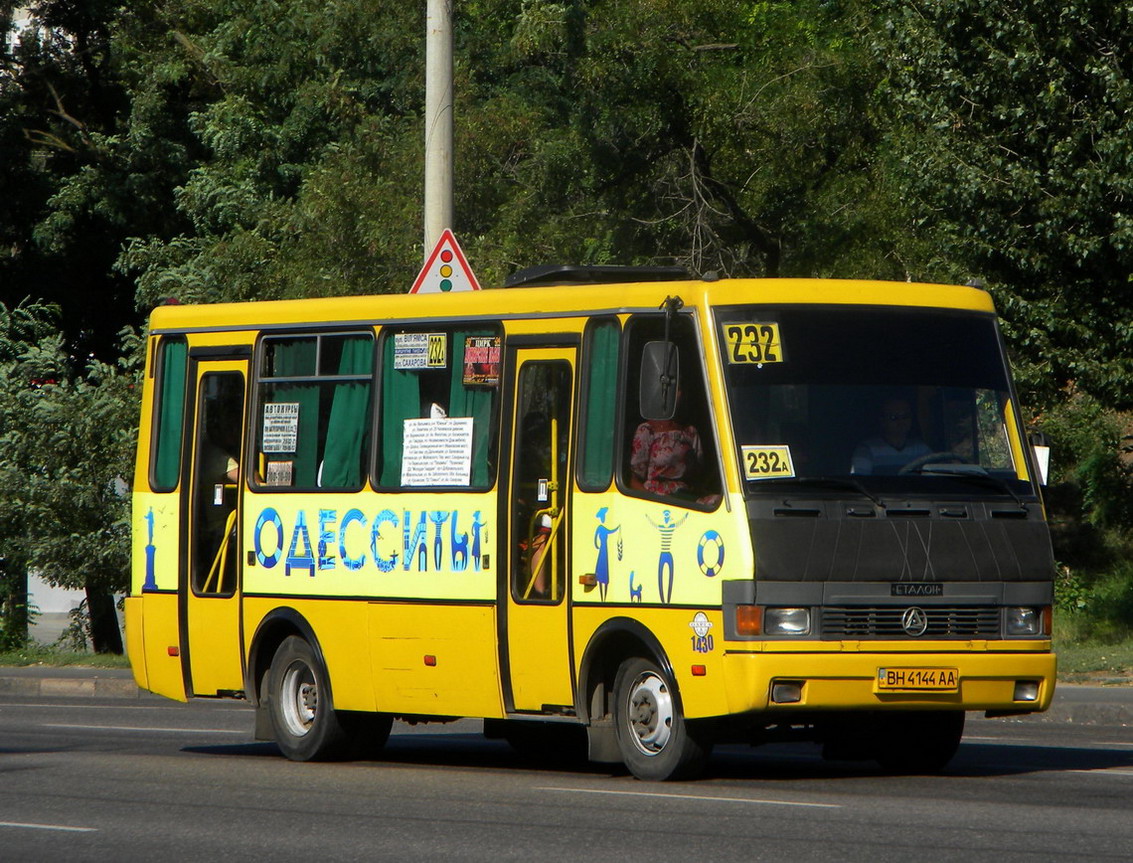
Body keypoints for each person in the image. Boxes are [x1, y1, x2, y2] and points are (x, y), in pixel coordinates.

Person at [630, 401, 704, 497]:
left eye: (680, 389)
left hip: (686, 496)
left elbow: (699, 475)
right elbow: (634, 479)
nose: (677, 393)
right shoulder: (647, 430)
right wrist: (651, 500)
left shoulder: (690, 431)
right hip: (657, 498)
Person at [851, 397, 931, 475]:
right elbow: (860, 482)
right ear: (882, 421)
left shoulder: (921, 449)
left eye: (905, 416)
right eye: (894, 417)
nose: (901, 422)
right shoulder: (867, 450)